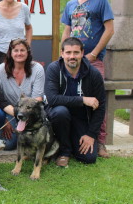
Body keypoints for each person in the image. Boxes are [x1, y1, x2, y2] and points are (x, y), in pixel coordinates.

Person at [61, 0, 114, 158]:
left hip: (93, 60)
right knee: (70, 95)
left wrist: (94, 53)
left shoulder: (101, 1)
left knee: (98, 100)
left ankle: (100, 141)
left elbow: (109, 30)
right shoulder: (70, 4)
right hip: (72, 60)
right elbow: (67, 31)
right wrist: (62, 54)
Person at [45, 37, 105, 167]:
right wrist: (83, 99)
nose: (72, 56)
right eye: (68, 52)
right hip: (58, 117)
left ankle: (71, 141)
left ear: (82, 53)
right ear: (62, 53)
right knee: (61, 112)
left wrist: (91, 134)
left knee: (89, 158)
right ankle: (64, 152)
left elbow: (101, 107)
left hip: (81, 119)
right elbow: (52, 99)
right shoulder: (54, 69)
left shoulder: (94, 74)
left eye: (76, 53)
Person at [0, 39, 45, 150]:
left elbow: (37, 99)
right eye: (16, 50)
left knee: (32, 143)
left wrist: (25, 116)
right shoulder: (0, 70)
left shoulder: (37, 69)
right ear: (10, 53)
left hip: (31, 111)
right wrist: (5, 120)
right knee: (8, 145)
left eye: (22, 50)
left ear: (28, 52)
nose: (19, 53)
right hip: (9, 112)